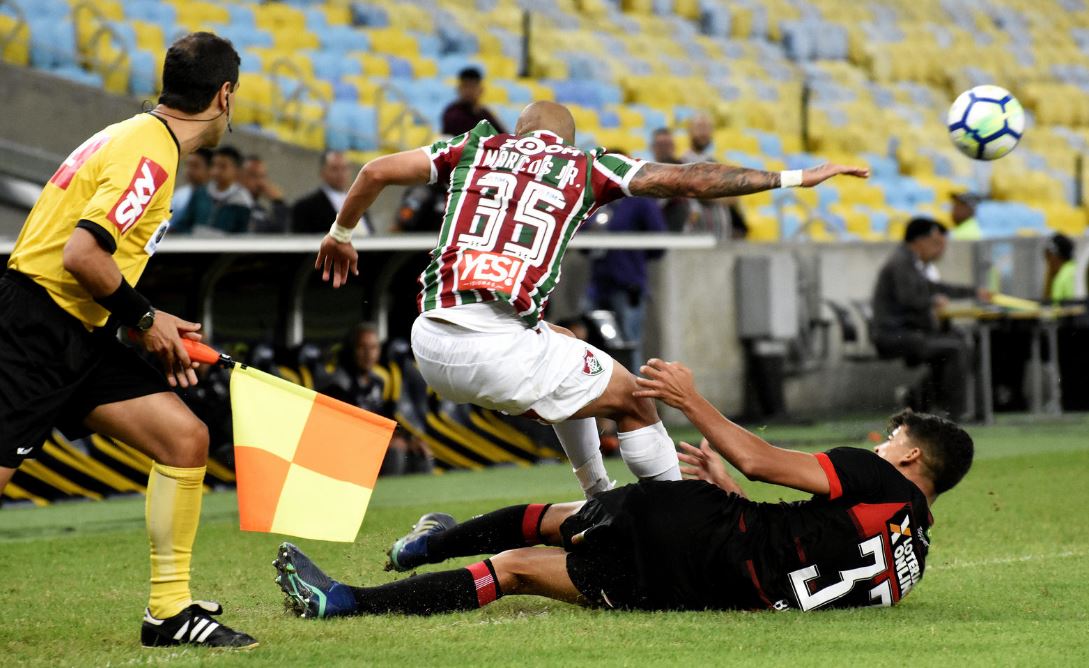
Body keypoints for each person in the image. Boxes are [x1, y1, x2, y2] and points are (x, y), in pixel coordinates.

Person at [313, 100, 868, 500]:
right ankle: (675, 517)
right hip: (495, 348)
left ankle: (598, 496)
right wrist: (794, 177)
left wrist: (340, 233)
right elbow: (693, 181)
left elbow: (375, 171)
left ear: (518, 131)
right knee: (635, 399)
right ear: (567, 141)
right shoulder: (585, 166)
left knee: (564, 343)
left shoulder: (475, 147)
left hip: (432, 340)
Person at [272, 359, 972, 617]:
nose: (881, 445)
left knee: (552, 518)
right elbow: (798, 559)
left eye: (891, 438)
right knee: (514, 571)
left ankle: (420, 550)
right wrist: (730, 491)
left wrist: (692, 401)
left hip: (697, 530)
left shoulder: (880, 477)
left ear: (910, 456)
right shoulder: (909, 559)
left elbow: (762, 460)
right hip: (699, 591)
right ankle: (346, 602)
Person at [0, 32, 255, 648]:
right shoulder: (152, 153)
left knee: (184, 438)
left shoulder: (132, 134)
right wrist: (145, 320)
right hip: (33, 331)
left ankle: (169, 613)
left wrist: (139, 321)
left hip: (77, 329)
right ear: (224, 95)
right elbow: (82, 254)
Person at [871, 217, 992, 419]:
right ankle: (952, 414)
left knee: (957, 342)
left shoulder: (910, 263)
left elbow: (934, 288)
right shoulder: (901, 263)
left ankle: (921, 401)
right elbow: (909, 299)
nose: (938, 248)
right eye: (934, 242)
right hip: (894, 334)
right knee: (955, 348)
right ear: (919, 241)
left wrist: (972, 292)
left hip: (906, 332)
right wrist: (933, 301)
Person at [321, 322, 433, 475]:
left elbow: (386, 418)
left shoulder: (377, 382)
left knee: (420, 452)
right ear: (351, 350)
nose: (368, 354)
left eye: (373, 347)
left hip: (373, 443)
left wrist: (409, 438)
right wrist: (384, 440)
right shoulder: (338, 384)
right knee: (395, 452)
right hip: (346, 451)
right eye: (362, 347)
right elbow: (344, 430)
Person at [585, 182, 668, 372]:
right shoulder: (598, 201)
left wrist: (631, 259)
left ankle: (633, 388)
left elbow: (659, 243)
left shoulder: (641, 202)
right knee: (592, 342)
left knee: (629, 344)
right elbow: (583, 238)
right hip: (598, 284)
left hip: (628, 285)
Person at [680, 112, 747, 239]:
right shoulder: (682, 163)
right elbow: (699, 191)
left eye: (707, 128)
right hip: (696, 237)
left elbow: (734, 197)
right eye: (700, 127)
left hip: (721, 237)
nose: (704, 133)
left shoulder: (715, 162)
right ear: (690, 130)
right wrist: (721, 193)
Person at [171, 145, 252, 234]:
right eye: (214, 165)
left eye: (223, 166)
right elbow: (185, 223)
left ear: (237, 170)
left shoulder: (242, 202)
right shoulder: (201, 193)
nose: (216, 171)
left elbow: (241, 235)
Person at [291, 150, 372, 234]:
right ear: (322, 172)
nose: (340, 174)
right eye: (334, 169)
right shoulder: (305, 207)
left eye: (344, 168)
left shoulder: (358, 202)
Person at [649, 127, 694, 232]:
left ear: (674, 147)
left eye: (667, 145)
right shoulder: (645, 175)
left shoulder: (686, 170)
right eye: (660, 145)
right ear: (652, 148)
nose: (664, 149)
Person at [441, 66, 507, 137]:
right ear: (459, 89)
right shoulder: (452, 114)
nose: (468, 91)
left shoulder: (485, 114)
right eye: (465, 86)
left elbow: (503, 136)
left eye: (472, 86)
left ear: (481, 90)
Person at [241, 153, 289, 233]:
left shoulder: (260, 211)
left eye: (263, 176)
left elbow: (278, 233)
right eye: (253, 176)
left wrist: (279, 203)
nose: (260, 183)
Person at [170, 147, 212, 215]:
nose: (189, 170)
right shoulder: (179, 195)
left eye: (195, 166)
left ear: (210, 169)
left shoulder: (214, 197)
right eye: (187, 165)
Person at [1043, 233, 1076, 303]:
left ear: (1053, 257)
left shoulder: (1061, 279)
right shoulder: (1077, 270)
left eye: (1047, 257)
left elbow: (1055, 307)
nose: (1047, 263)